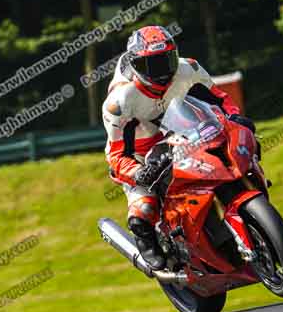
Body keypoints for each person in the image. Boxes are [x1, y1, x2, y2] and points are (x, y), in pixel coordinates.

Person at [102, 25, 255, 271]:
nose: (163, 72)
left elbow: (220, 99)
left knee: (229, 149)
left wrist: (235, 118)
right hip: (140, 151)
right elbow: (118, 154)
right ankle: (146, 240)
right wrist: (138, 173)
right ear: (137, 66)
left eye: (166, 61)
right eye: (153, 65)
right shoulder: (119, 102)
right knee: (144, 208)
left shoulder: (188, 68)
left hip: (181, 128)